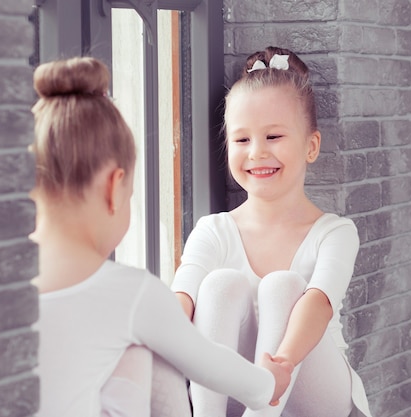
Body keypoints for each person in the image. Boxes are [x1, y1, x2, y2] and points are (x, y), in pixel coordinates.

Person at [30, 56, 293, 417]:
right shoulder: (130, 292)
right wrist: (268, 384)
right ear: (115, 187)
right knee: (154, 352)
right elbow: (206, 362)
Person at [171, 46, 373, 417]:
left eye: (274, 137)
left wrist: (278, 370)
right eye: (242, 140)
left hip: (313, 392)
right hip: (234, 392)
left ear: (311, 146)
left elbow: (318, 304)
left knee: (284, 286)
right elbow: (182, 295)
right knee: (218, 285)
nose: (257, 153)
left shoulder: (334, 232)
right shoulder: (213, 230)